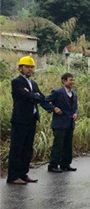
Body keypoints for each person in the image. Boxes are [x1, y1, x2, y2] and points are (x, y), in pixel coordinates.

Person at [7, 56, 54, 185]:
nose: (29, 69)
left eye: (31, 67)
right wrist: (34, 96)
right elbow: (25, 96)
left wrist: (53, 108)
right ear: (20, 68)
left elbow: (42, 98)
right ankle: (13, 176)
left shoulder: (32, 84)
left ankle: (23, 174)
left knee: (27, 148)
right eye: (27, 67)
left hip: (31, 119)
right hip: (20, 120)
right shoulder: (16, 82)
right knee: (17, 148)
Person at [46, 73, 79, 173]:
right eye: (70, 80)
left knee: (68, 145)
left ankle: (65, 164)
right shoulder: (57, 92)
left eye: (73, 80)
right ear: (64, 81)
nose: (72, 82)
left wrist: (76, 113)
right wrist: (53, 108)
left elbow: (75, 107)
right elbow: (45, 101)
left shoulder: (74, 94)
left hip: (70, 123)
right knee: (58, 145)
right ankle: (53, 165)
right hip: (59, 123)